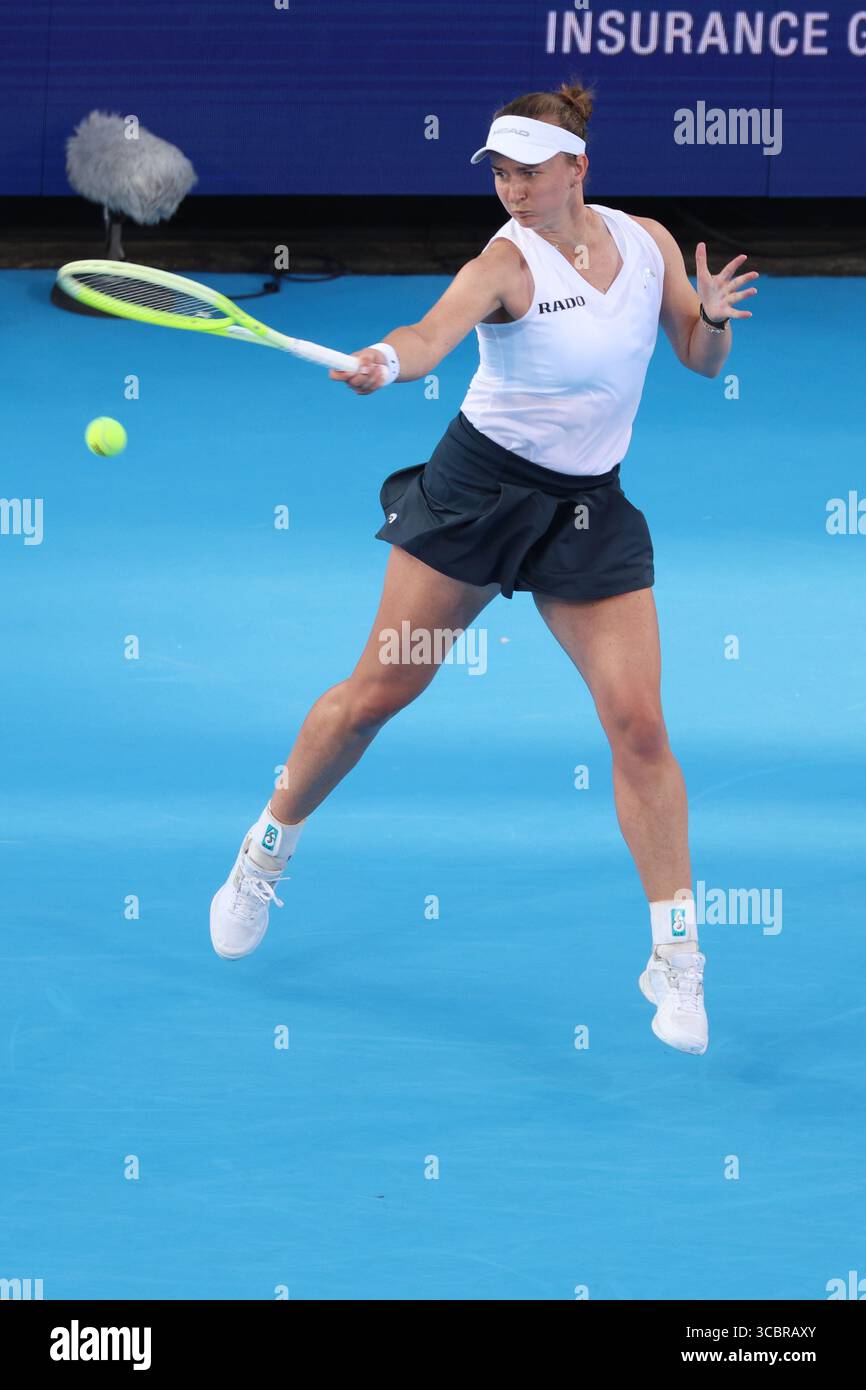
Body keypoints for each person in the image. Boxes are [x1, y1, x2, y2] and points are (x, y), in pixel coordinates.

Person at [210, 81, 758, 1056]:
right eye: (497, 170)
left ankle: (675, 957)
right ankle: (266, 846)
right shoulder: (503, 261)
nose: (509, 185)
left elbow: (698, 358)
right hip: (474, 496)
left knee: (637, 726)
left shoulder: (647, 245)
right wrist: (385, 354)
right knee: (378, 692)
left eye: (527, 168)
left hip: (586, 510)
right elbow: (430, 336)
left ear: (576, 168)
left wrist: (710, 318)